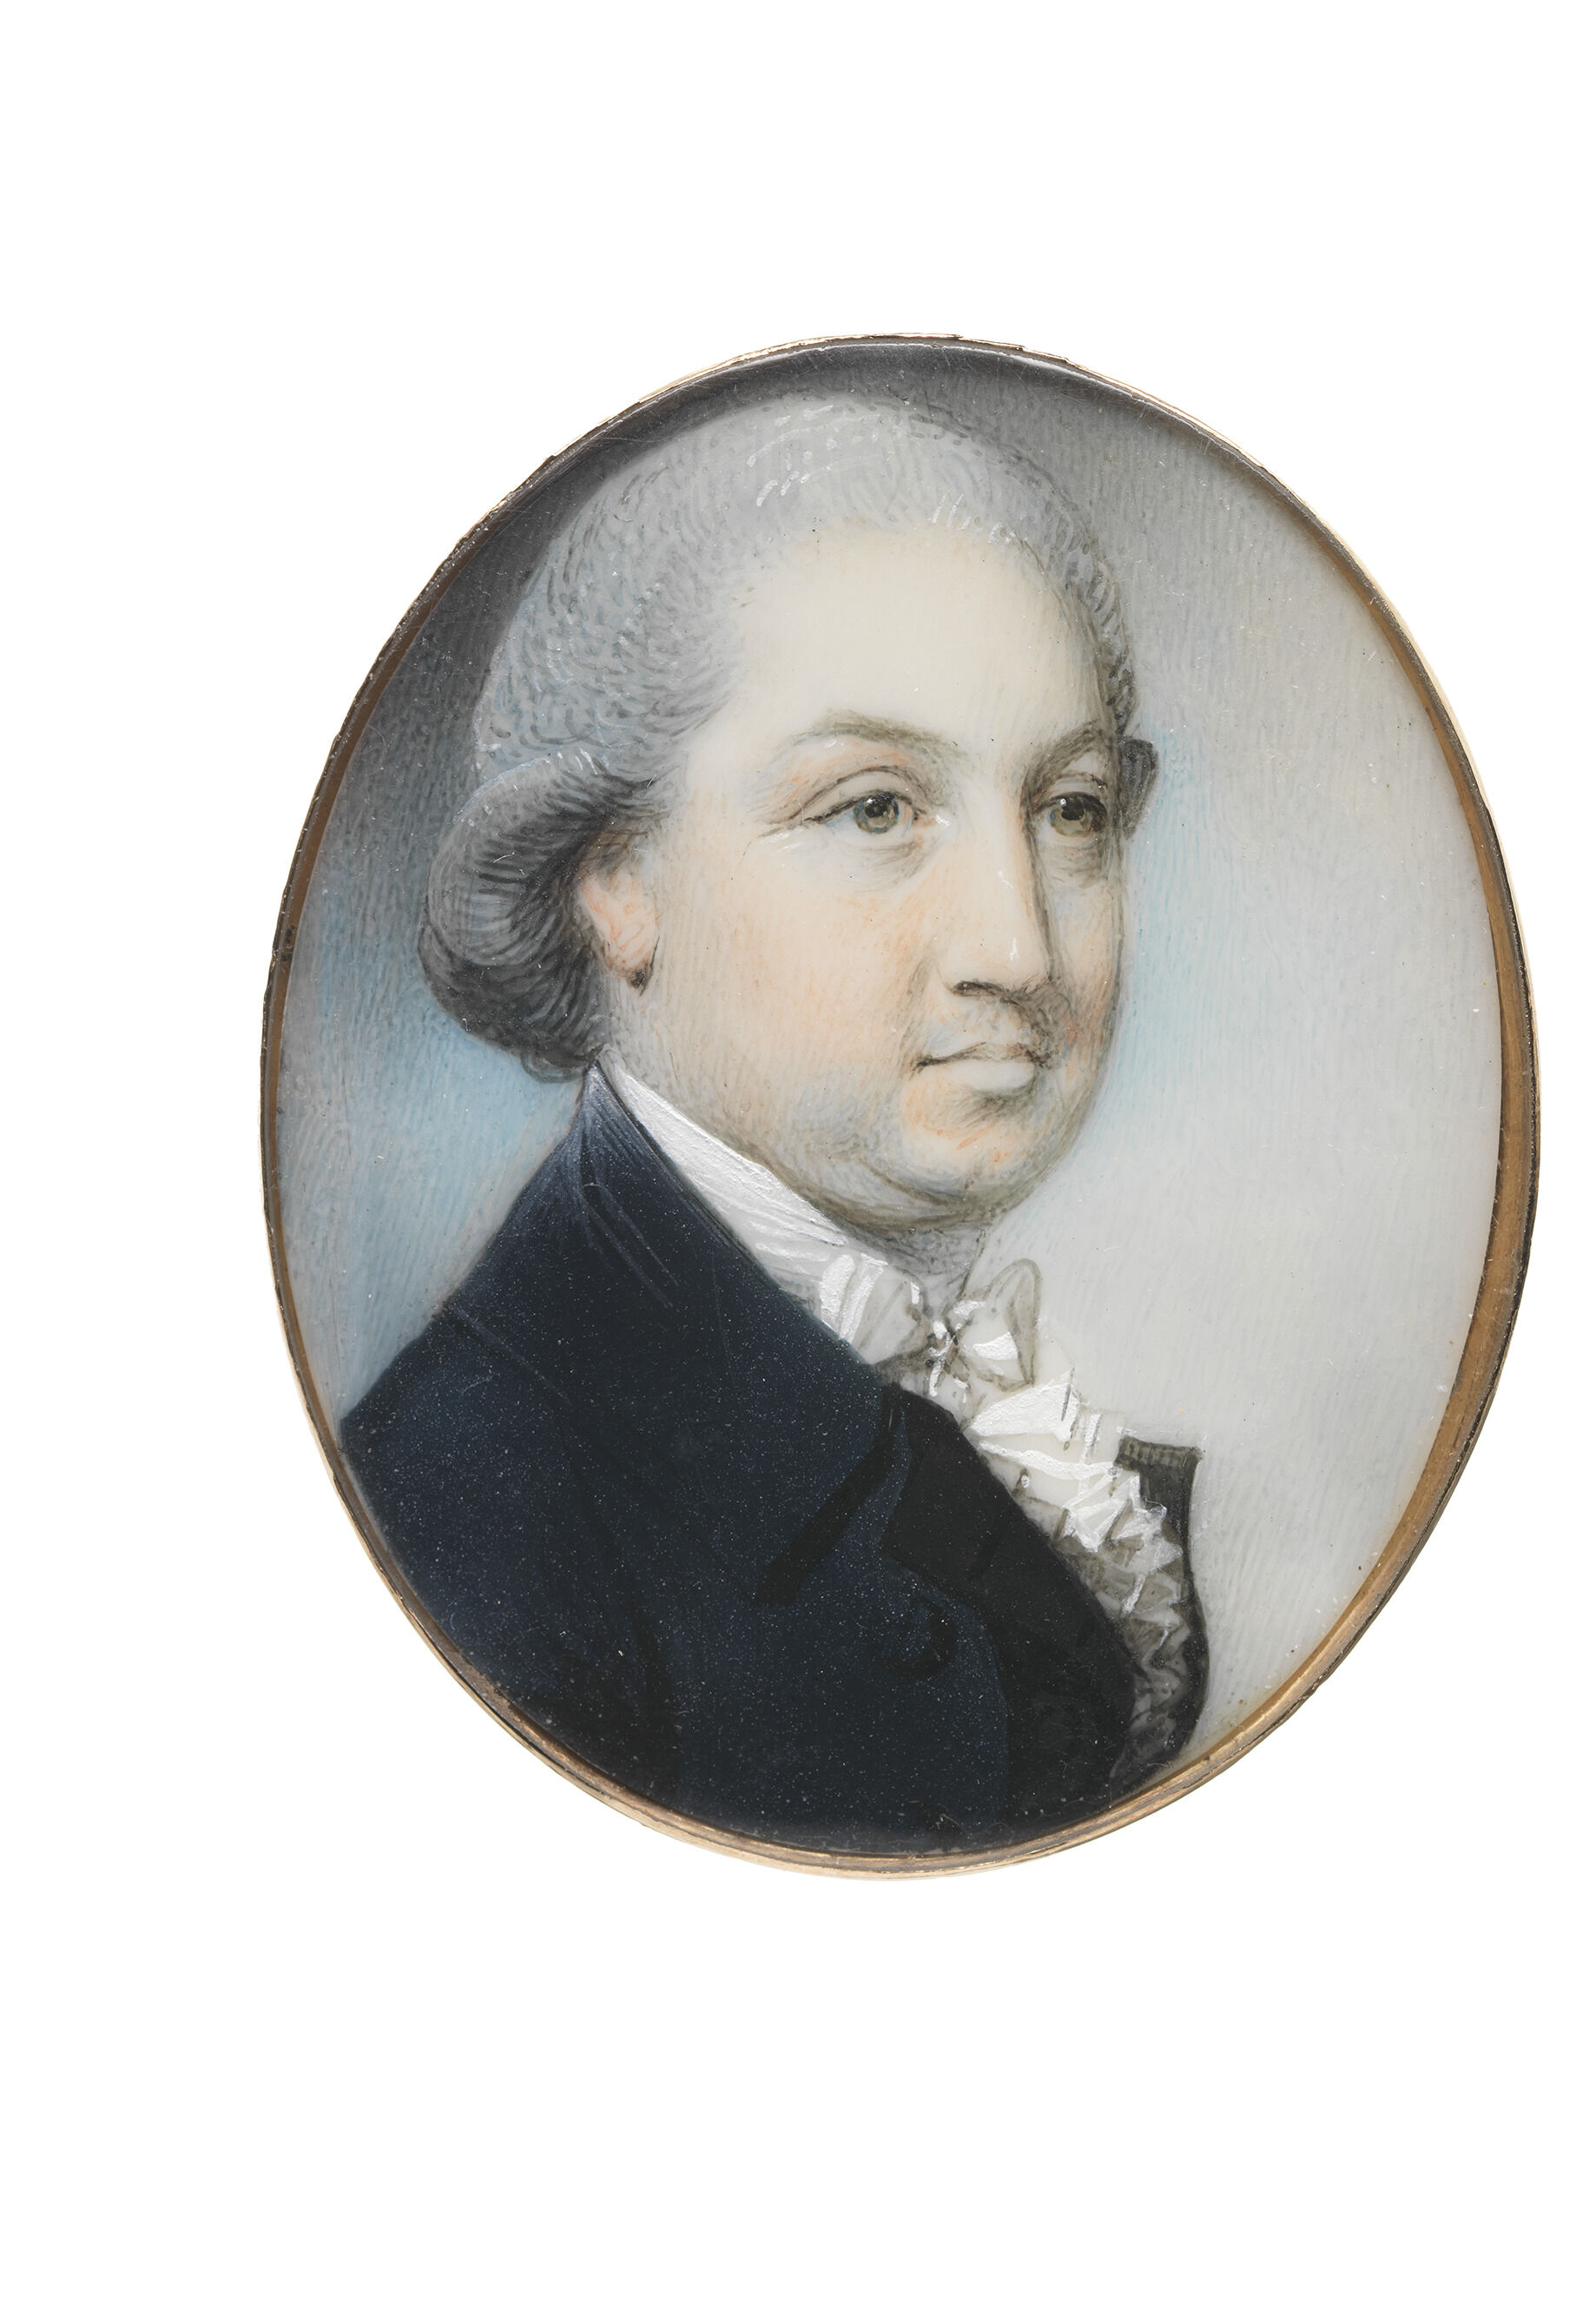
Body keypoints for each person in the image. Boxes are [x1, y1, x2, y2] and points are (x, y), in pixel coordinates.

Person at [341, 391, 1207, 1853]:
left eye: (1069, 809)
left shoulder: (949, 1390)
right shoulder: (466, 1513)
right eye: (875, 810)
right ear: (614, 880)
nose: (1019, 948)